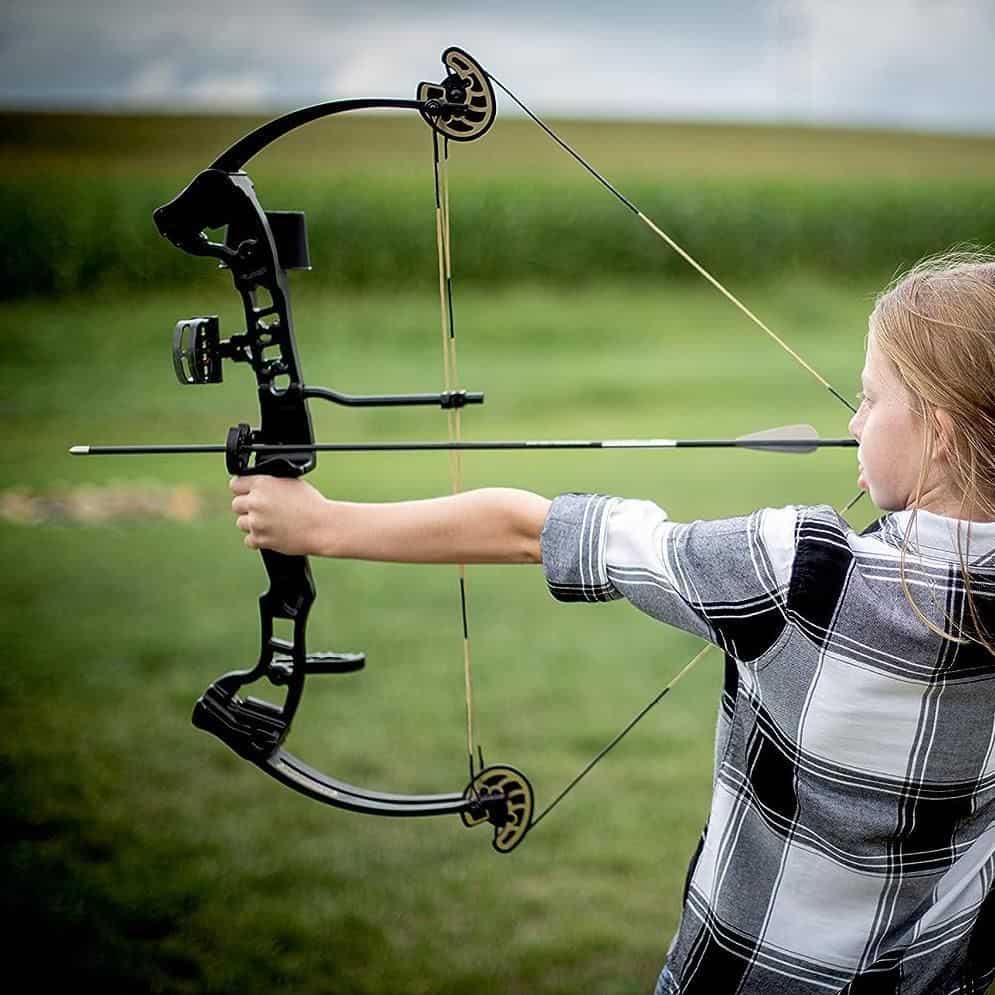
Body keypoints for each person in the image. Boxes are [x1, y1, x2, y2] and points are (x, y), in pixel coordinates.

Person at [230, 252, 995, 994]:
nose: (853, 422)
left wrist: (317, 524)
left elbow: (529, 529)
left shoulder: (799, 570)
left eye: (868, 398)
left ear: (938, 431)